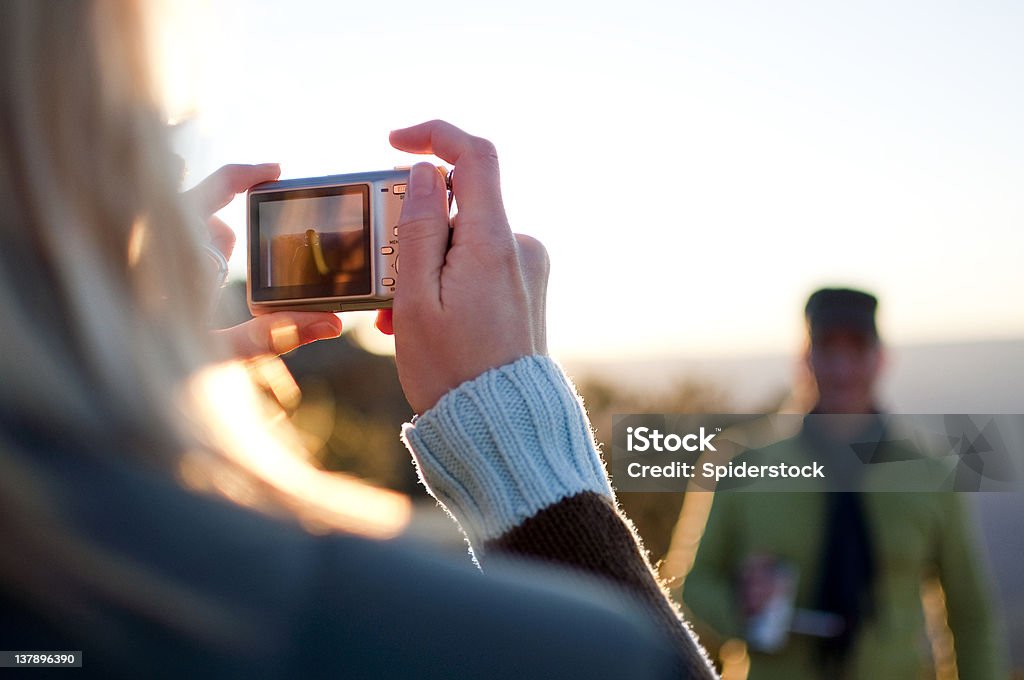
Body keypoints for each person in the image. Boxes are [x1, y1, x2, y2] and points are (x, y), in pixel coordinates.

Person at [0, 1, 718, 677]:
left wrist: (131, 385)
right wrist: (513, 430)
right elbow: (621, 655)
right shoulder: (359, 623)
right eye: (161, 130)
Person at [677, 288, 1008, 679]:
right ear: (804, 360)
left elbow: (970, 613)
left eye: (856, 350)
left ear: (881, 359)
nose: (842, 368)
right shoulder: (743, 461)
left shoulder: (931, 472)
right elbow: (692, 586)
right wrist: (742, 612)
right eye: (827, 350)